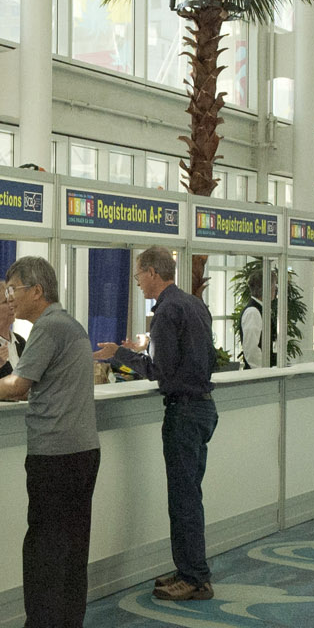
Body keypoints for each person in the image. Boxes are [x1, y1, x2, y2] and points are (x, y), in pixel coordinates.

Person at [0, 256, 99, 628]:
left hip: (55, 454)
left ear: (37, 291)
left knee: (43, 550)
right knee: (73, 547)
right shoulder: (69, 325)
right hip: (82, 450)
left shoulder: (48, 328)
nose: (10, 298)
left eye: (14, 290)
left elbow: (19, 386)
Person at [96, 246, 219, 601]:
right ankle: (189, 569)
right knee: (188, 494)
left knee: (182, 499)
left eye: (138, 277)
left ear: (152, 272)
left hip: (183, 412)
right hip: (204, 408)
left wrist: (119, 354)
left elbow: (160, 371)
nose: (137, 284)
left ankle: (194, 577)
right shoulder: (195, 303)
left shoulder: (165, 312)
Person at [238, 279, 265, 370]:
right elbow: (251, 348)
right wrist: (262, 370)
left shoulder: (260, 309)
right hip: (258, 373)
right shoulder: (253, 312)